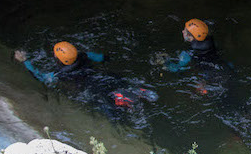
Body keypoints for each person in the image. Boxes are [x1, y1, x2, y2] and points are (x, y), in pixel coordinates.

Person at [14, 41, 157, 114]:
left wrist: (25, 61)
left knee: (108, 100)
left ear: (59, 61)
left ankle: (124, 101)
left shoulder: (59, 74)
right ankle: (137, 92)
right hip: (103, 76)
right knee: (117, 84)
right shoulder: (84, 55)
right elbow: (101, 58)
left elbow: (40, 77)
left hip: (92, 87)